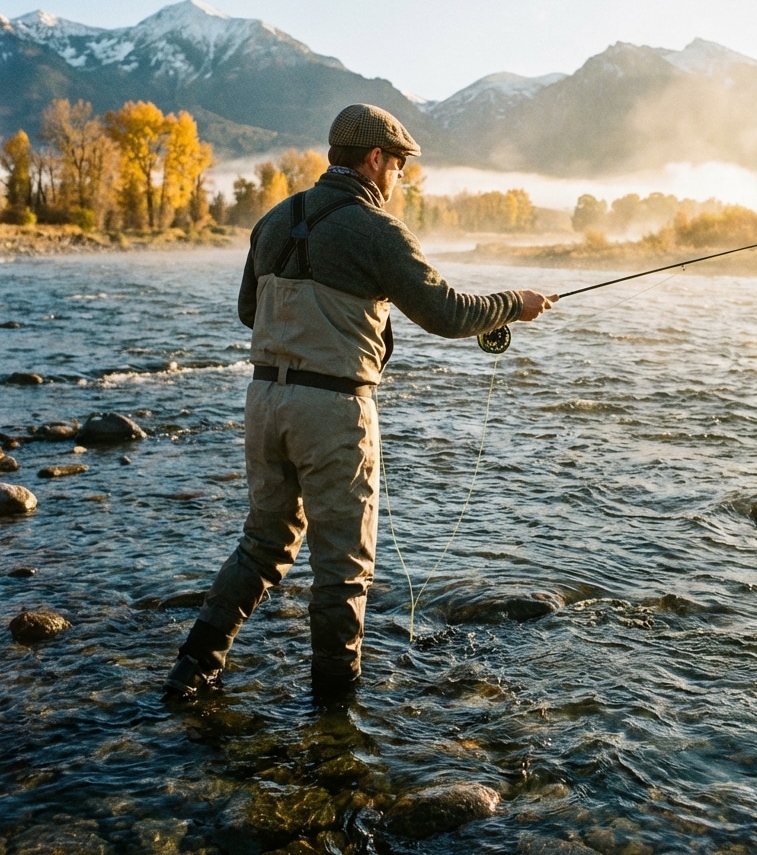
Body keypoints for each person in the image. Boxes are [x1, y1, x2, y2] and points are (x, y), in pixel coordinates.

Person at [164, 103, 555, 702]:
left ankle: (193, 668)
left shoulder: (272, 220)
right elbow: (446, 313)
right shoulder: (378, 230)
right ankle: (335, 716)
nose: (401, 178)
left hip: (263, 402)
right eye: (400, 166)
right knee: (343, 570)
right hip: (332, 409)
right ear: (375, 160)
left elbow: (250, 312)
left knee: (264, 543)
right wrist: (513, 303)